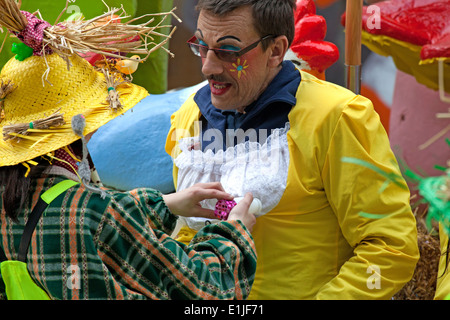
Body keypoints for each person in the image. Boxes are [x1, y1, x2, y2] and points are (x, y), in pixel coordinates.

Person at [0, 3, 256, 300]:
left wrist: (165, 203)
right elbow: (204, 289)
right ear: (81, 126)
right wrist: (235, 234)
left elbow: (85, 209)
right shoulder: (96, 214)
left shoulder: (11, 197)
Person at [165, 0, 420, 299]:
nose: (208, 66)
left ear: (275, 50)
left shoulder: (338, 118)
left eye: (228, 51)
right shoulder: (188, 117)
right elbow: (188, 232)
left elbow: (390, 249)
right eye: (202, 46)